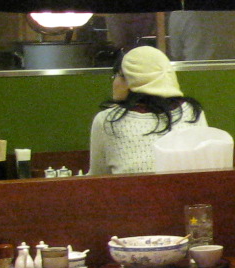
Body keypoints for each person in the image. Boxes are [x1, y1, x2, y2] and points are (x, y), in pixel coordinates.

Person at [88, 45, 207, 175]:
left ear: (130, 80)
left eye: (117, 75)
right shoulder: (192, 111)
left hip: (130, 189)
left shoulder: (108, 120)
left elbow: (98, 176)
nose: (114, 82)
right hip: (188, 188)